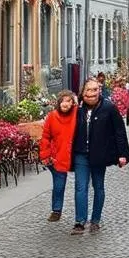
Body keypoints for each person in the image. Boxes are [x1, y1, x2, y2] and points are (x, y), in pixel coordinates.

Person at [71, 79, 129, 234]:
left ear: (99, 91)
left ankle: (95, 220)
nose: (91, 93)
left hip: (99, 153)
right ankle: (79, 222)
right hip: (80, 153)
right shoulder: (76, 109)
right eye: (88, 90)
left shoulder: (109, 108)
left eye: (94, 90)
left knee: (98, 187)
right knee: (80, 187)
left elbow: (119, 131)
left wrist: (123, 154)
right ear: (83, 92)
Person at [39, 90, 77, 221]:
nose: (65, 104)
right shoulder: (52, 116)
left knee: (82, 185)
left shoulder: (77, 114)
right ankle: (56, 210)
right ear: (59, 103)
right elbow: (45, 137)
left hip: (75, 155)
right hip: (57, 155)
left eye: (69, 101)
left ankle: (82, 214)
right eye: (63, 101)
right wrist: (45, 155)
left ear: (73, 103)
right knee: (59, 185)